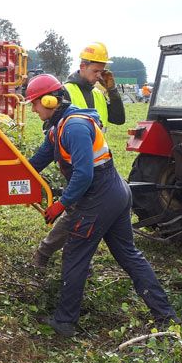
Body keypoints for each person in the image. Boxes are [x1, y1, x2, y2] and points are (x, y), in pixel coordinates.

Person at [24, 73, 179, 337]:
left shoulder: (73, 127)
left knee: (75, 255)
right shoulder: (58, 127)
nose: (33, 109)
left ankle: (64, 322)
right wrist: (13, 173)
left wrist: (61, 204)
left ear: (50, 100)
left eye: (35, 103)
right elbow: (36, 162)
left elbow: (84, 175)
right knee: (129, 255)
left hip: (100, 195)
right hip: (112, 193)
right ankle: (165, 316)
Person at [32, 42, 125, 268]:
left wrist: (112, 90)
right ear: (82, 66)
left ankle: (62, 257)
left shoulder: (98, 94)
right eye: (95, 71)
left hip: (94, 166)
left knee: (79, 214)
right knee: (78, 211)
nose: (99, 76)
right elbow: (50, 144)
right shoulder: (65, 92)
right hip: (73, 161)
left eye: (102, 72)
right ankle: (56, 255)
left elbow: (119, 118)